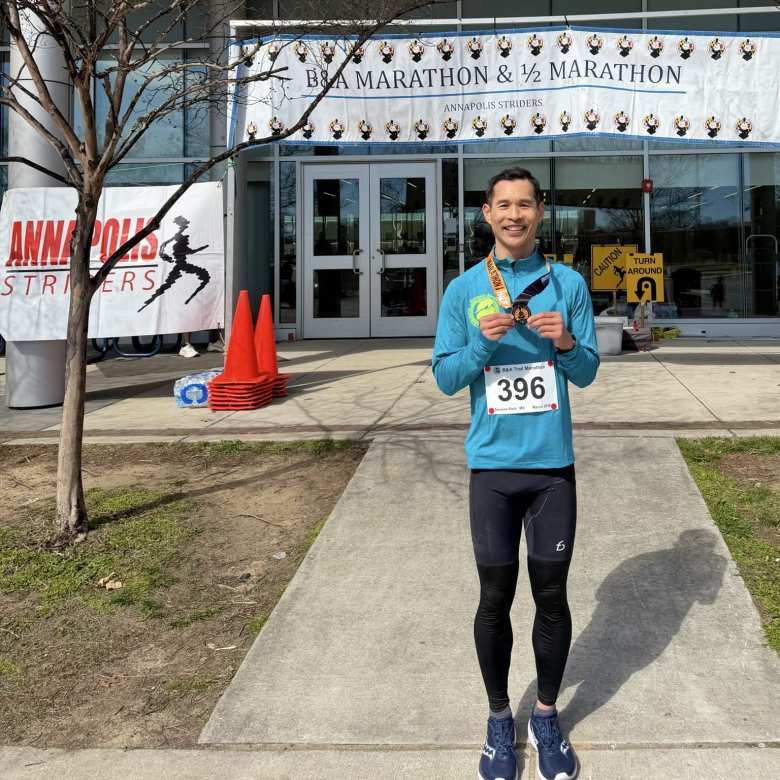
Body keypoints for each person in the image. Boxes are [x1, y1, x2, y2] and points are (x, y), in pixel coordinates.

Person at [432, 168, 599, 780]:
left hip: (552, 470)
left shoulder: (568, 284)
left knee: (551, 596)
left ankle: (546, 717)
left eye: (524, 204)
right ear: (486, 214)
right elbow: (445, 377)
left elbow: (588, 373)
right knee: (495, 597)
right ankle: (500, 720)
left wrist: (565, 344)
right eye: (503, 205)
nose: (514, 214)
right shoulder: (465, 289)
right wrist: (480, 345)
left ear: (540, 211)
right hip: (493, 470)